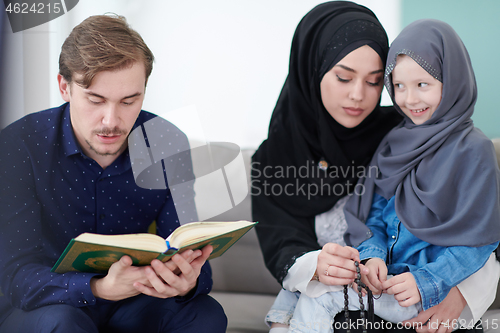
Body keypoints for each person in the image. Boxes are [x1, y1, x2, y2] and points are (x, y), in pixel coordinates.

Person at [251, 2, 500, 333]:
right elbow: (285, 252)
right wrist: (324, 266)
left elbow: (481, 235)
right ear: (312, 70)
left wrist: (459, 295)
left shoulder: (409, 131)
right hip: (353, 294)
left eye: (372, 82)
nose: (358, 96)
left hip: (411, 300)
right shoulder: (273, 159)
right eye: (343, 77)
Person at [0, 14, 227, 332]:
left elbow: (187, 246)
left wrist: (187, 281)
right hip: (47, 306)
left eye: (129, 101)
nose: (112, 120)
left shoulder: (166, 141)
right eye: (95, 99)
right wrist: (97, 287)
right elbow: (15, 277)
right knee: (63, 323)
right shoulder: (18, 145)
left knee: (204, 313)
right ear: (65, 87)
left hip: (133, 303)